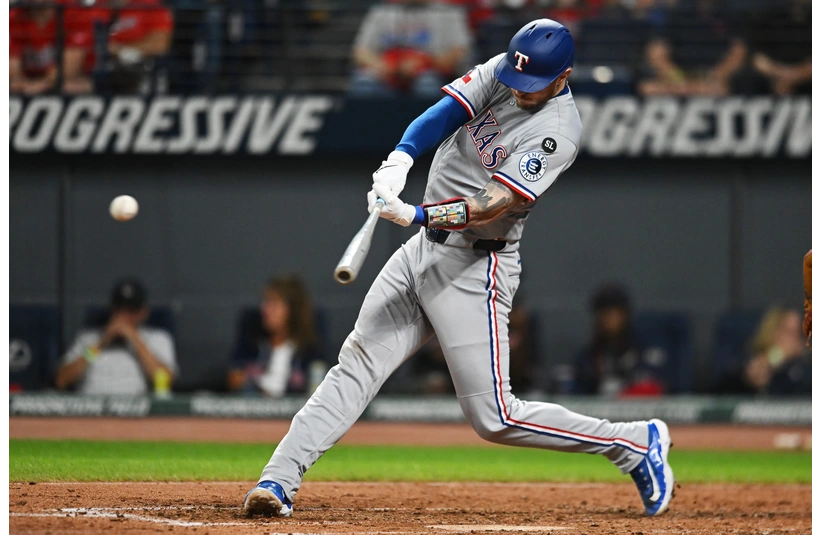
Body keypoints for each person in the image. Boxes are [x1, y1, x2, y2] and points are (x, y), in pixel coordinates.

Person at [244, 19, 674, 519]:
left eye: (533, 86)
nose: (518, 90)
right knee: (357, 362)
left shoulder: (558, 132)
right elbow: (445, 111)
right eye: (516, 79)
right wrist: (400, 159)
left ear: (564, 77)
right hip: (422, 251)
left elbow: (492, 204)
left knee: (495, 418)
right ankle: (278, 479)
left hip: (474, 267)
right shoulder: (510, 68)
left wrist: (417, 214)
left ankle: (636, 443)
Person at [55, 278, 177, 395]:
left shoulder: (156, 338)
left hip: (136, 412)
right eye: (119, 309)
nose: (123, 315)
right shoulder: (89, 339)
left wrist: (134, 339)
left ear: (143, 313)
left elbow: (167, 380)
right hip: (91, 411)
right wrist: (100, 343)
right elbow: (62, 380)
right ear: (111, 310)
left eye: (131, 310)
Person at [349, 0, 472, 99]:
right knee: (363, 83)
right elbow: (360, 52)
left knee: (427, 83)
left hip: (431, 74)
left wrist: (423, 64)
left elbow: (458, 52)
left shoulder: (448, 11)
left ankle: (426, 129)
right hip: (387, 74)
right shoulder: (382, 11)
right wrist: (380, 65)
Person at [227, 276, 326, 398]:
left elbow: (316, 387)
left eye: (273, 303)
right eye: (265, 302)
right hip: (253, 412)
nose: (265, 310)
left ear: (293, 310)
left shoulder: (309, 349)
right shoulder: (253, 341)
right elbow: (234, 378)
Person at [573, 283, 666, 397]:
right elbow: (580, 396)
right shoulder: (589, 357)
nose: (609, 321)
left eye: (614, 314)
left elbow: (657, 387)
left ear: (625, 315)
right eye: (603, 315)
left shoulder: (646, 351)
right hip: (601, 413)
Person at [638, 0, 747, 96]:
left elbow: (738, 51)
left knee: (719, 89)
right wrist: (678, 78)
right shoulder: (678, 12)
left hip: (714, 78)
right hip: (679, 76)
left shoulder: (731, 13)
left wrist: (715, 77)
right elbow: (656, 52)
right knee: (649, 88)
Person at [8, 0, 95, 94]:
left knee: (72, 86)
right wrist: (22, 83)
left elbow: (69, 68)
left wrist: (41, 84)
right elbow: (13, 69)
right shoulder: (15, 15)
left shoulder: (73, 11)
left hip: (75, 79)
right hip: (30, 82)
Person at [87, 0, 173, 93]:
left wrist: (120, 50)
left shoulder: (149, 6)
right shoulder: (97, 6)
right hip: (98, 70)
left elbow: (160, 45)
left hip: (141, 71)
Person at [745, 0, 814, 96]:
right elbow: (757, 59)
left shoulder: (811, 16)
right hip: (771, 80)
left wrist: (792, 78)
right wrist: (781, 76)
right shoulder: (767, 15)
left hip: (806, 81)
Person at [744, 305, 814, 396]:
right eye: (788, 332)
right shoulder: (751, 357)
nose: (793, 338)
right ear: (772, 331)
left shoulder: (805, 367)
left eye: (798, 333)